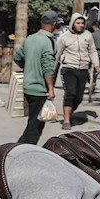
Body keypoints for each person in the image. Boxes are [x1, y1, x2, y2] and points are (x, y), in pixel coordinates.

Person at [13, 11, 61, 145]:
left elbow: (17, 57)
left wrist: (28, 67)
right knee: (36, 125)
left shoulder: (30, 38)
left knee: (33, 121)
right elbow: (48, 69)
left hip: (28, 86)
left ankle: (20, 146)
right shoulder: (48, 42)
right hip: (39, 89)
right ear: (54, 24)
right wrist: (51, 89)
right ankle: (24, 150)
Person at [54, 13, 100, 130]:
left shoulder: (88, 36)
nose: (80, 25)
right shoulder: (65, 38)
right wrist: (53, 70)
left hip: (83, 69)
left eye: (82, 23)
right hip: (69, 68)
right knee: (70, 94)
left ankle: (69, 112)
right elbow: (58, 55)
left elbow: (92, 51)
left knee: (78, 96)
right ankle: (66, 120)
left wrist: (96, 64)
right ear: (72, 24)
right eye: (78, 23)